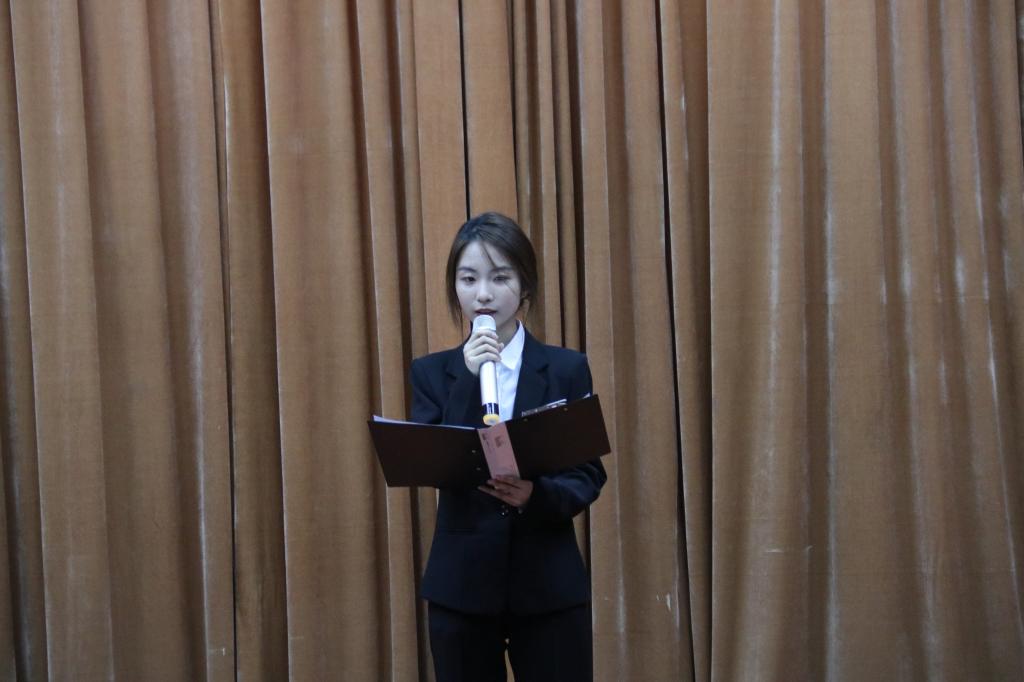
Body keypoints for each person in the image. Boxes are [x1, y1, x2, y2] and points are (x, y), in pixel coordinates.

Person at [409, 212, 607, 681]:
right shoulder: (431, 373)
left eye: (500, 278)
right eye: (468, 279)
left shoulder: (566, 369)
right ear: (454, 287)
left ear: (525, 286)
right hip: (462, 588)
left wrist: (535, 496)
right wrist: (468, 379)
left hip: (548, 586)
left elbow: (587, 474)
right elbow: (430, 463)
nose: (483, 294)